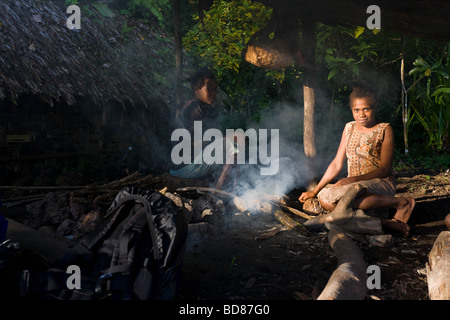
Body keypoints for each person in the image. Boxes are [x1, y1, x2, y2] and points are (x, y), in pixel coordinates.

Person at [298, 86, 415, 236]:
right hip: (354, 185)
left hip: (380, 181)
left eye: (366, 109)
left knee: (345, 197)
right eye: (357, 110)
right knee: (324, 197)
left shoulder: (385, 129)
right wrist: (315, 190)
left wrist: (351, 180)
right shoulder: (349, 128)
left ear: (375, 107)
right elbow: (336, 163)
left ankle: (401, 203)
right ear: (351, 109)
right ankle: (384, 223)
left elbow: (384, 169)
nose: (362, 114)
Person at [170, 69, 241, 190]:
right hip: (184, 166)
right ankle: (218, 190)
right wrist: (220, 141)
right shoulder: (195, 108)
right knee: (231, 144)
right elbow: (190, 143)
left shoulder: (207, 109)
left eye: (215, 89)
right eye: (209, 89)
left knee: (237, 143)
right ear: (196, 90)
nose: (213, 93)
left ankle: (235, 187)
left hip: (191, 163)